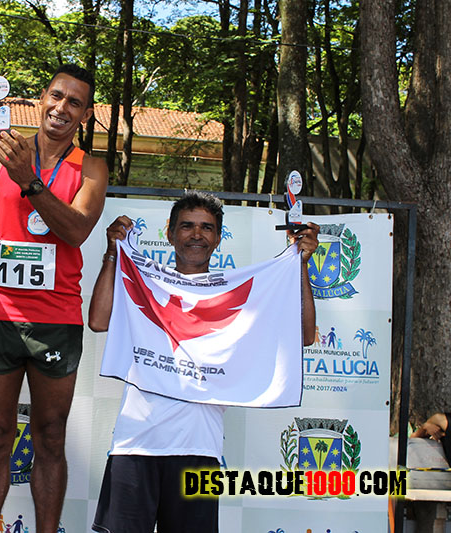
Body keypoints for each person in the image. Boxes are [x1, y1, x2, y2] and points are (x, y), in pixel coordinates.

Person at [88, 191, 318, 533]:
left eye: (206, 228)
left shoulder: (236, 294)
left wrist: (299, 264)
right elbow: (98, 320)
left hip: (199, 449)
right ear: (170, 234)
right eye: (187, 226)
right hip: (135, 445)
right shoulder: (146, 284)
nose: (196, 234)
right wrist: (112, 252)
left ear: (218, 238)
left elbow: (304, 334)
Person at [0, 63, 108, 533]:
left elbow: (76, 231)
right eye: (56, 96)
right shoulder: (2, 153)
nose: (62, 107)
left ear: (85, 115)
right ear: (42, 98)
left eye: (75, 102)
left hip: (56, 319)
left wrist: (30, 180)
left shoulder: (91, 168)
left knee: (51, 438)